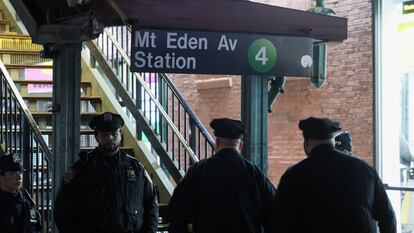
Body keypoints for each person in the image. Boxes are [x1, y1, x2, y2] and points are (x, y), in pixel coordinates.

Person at [272, 116, 396, 233]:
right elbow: (388, 217)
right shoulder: (364, 169)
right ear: (332, 140)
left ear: (306, 144)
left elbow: (277, 221)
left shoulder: (294, 175)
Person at [54, 112, 158, 233]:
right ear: (97, 137)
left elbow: (151, 206)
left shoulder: (136, 168)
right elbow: (62, 210)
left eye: (114, 134)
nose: (109, 138)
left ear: (120, 135)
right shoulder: (81, 169)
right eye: (104, 134)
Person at [167, 118, 276, 233]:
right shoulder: (254, 173)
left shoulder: (198, 171)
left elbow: (176, 215)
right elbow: (275, 214)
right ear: (240, 145)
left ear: (217, 143)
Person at [0, 152, 42, 233]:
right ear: (1, 177)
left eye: (20, 172)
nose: (19, 177)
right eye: (12, 173)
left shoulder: (24, 196)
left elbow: (35, 223)